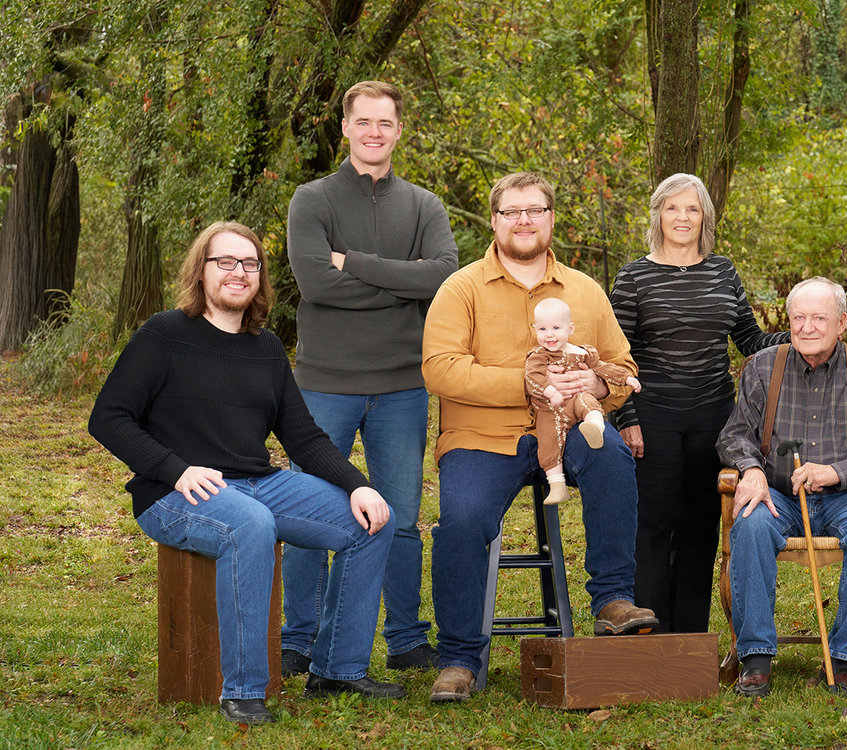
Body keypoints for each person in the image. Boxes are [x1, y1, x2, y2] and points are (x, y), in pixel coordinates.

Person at [88, 222, 403, 727]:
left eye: (250, 264)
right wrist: (174, 469)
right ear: (201, 271)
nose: (239, 272)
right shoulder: (165, 334)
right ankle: (242, 691)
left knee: (373, 521)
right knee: (250, 524)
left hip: (258, 482)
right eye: (226, 262)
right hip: (175, 492)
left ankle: (337, 670)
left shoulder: (267, 348)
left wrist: (358, 484)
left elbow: (304, 438)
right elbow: (108, 418)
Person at [421, 172, 657, 703]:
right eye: (511, 211)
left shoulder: (585, 290)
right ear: (494, 220)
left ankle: (613, 600)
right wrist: (529, 385)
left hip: (570, 425)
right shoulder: (460, 288)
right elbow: (439, 369)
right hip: (483, 434)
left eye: (534, 210)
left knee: (613, 457)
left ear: (551, 218)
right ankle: (459, 658)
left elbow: (621, 365)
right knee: (461, 519)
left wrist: (594, 382)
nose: (523, 220)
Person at [281, 80, 458, 675]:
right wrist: (398, 280)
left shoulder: (424, 205)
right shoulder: (313, 198)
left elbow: (440, 279)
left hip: (402, 386)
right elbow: (314, 285)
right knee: (311, 510)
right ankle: (299, 639)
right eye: (364, 122)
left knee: (402, 516)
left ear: (399, 130)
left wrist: (352, 262)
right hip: (323, 384)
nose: (374, 132)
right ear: (346, 128)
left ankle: (406, 638)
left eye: (385, 123)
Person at [717, 277, 847, 696]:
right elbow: (733, 436)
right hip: (778, 494)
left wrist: (839, 472)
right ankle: (755, 657)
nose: (807, 327)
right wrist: (751, 469)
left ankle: (844, 657)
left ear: (842, 322)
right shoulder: (762, 367)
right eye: (799, 318)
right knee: (751, 523)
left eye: (819, 318)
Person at [609, 173, 788, 633]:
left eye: (692, 208)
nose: (682, 217)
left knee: (700, 527)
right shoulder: (634, 276)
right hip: (653, 418)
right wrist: (626, 418)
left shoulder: (722, 271)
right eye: (672, 208)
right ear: (658, 215)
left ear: (704, 215)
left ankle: (689, 636)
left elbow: (750, 339)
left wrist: (807, 334)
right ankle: (648, 633)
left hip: (713, 418)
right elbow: (617, 357)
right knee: (652, 525)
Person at [525, 297, 642, 504]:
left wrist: (626, 378)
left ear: (570, 329)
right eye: (542, 329)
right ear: (535, 330)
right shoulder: (538, 356)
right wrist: (551, 391)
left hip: (577, 399)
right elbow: (532, 378)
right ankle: (557, 485)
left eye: (555, 328)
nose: (549, 334)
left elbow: (604, 368)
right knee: (548, 442)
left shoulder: (582, 352)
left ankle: (595, 426)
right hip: (551, 409)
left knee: (587, 401)